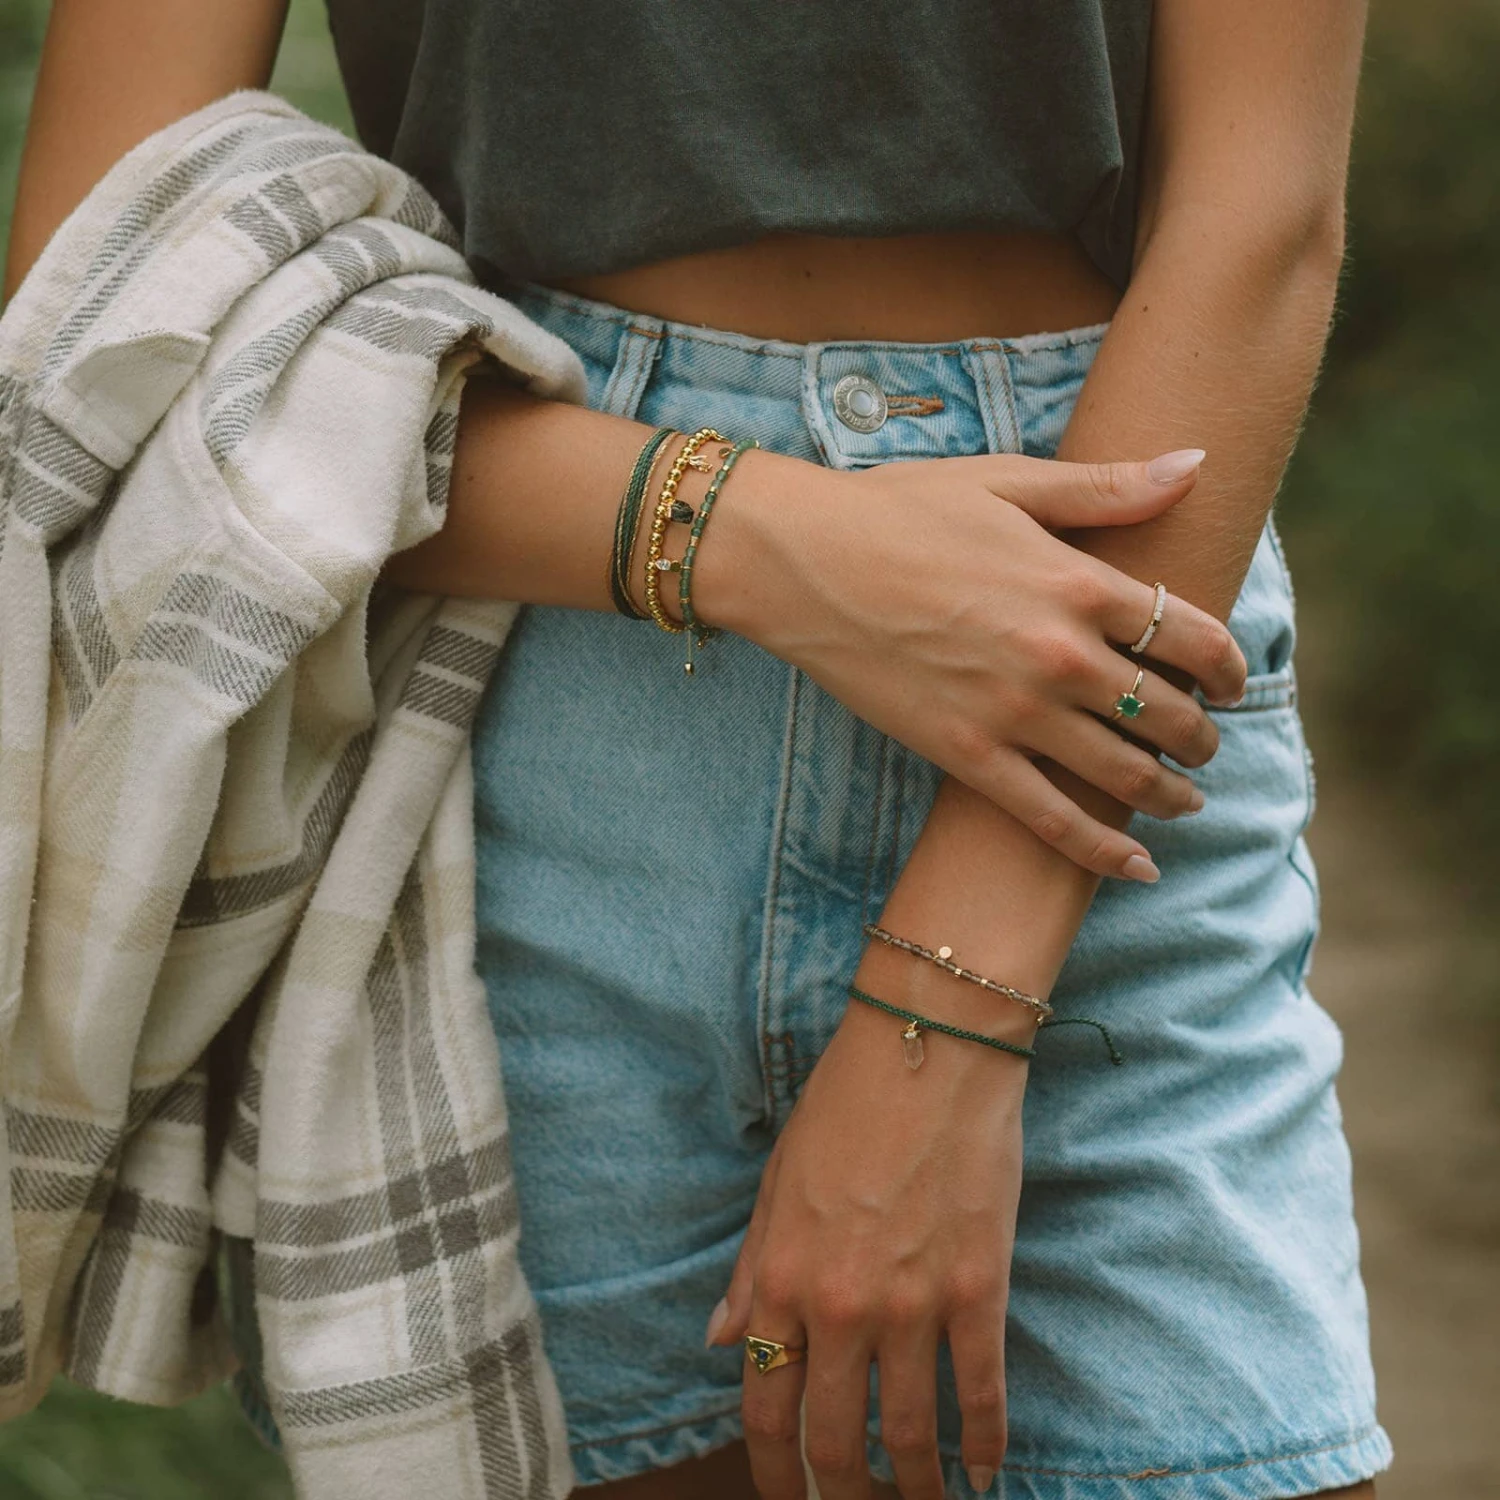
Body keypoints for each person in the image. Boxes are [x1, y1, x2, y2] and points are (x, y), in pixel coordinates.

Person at [6, 2, 1386, 1497]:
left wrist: (955, 1011)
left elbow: (1261, 214)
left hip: (1103, 606)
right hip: (536, 673)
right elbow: (104, 321)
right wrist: (744, 531)